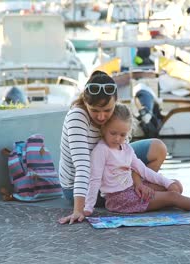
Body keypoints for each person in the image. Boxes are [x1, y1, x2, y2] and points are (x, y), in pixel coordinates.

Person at [58, 70, 176, 224]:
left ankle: (136, 188)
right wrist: (79, 210)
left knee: (157, 148)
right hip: (81, 188)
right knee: (167, 193)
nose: (101, 117)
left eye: (107, 110)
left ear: (115, 101)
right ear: (86, 103)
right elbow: (83, 167)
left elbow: (127, 153)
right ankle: (130, 195)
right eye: (94, 110)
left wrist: (138, 180)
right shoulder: (77, 117)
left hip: (109, 168)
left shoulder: (114, 111)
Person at [84, 103, 190, 215]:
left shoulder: (126, 148)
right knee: (173, 197)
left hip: (131, 189)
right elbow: (94, 179)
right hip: (118, 199)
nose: (117, 139)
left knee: (176, 185)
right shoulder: (101, 150)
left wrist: (167, 183)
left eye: (122, 135)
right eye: (113, 133)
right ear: (104, 128)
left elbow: (143, 170)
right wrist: (88, 208)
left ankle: (163, 199)